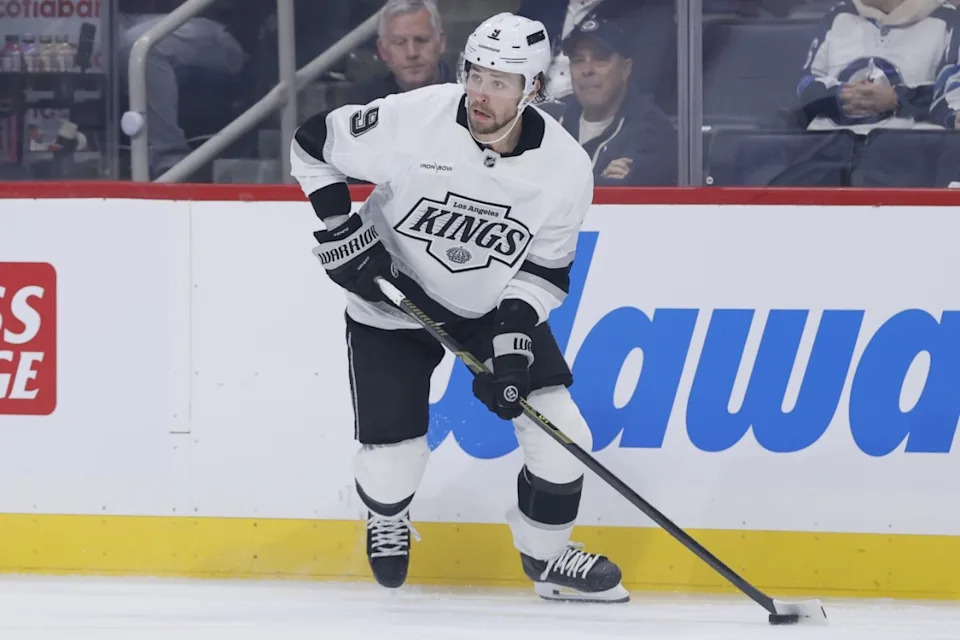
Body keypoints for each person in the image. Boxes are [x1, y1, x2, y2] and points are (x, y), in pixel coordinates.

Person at [290, 12, 628, 603]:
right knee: (394, 470)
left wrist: (513, 347)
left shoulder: (567, 168)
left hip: (489, 308)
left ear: (535, 90)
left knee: (564, 437)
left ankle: (546, 559)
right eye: (476, 74)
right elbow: (311, 145)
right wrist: (339, 231)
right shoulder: (415, 117)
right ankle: (386, 513)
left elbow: (545, 272)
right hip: (388, 301)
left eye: (501, 82)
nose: (481, 93)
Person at [118, 0, 249, 177]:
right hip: (145, 18)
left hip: (215, 24)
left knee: (141, 44)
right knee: (100, 30)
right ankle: (84, 148)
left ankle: (169, 157)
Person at [541, 18, 677, 185]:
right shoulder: (549, 122)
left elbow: (627, 195)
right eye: (578, 60)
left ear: (625, 69)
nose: (587, 70)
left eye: (600, 59)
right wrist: (601, 178)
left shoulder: (651, 132)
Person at [798, 0, 960, 133]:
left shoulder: (948, 21)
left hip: (909, 152)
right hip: (829, 147)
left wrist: (897, 99)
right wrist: (839, 95)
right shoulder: (838, 15)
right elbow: (806, 86)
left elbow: (949, 98)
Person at [348, 0, 455, 105]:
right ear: (383, 50)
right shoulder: (363, 103)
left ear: (441, 42)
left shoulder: (466, 91)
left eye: (420, 40)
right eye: (400, 43)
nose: (411, 53)